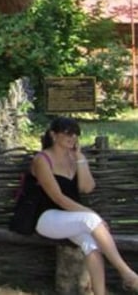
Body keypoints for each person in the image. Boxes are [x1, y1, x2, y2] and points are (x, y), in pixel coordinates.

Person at [30, 116, 138, 295]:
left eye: (76, 134)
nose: (72, 138)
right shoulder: (42, 159)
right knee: (91, 220)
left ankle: (100, 293)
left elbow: (86, 188)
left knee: (92, 245)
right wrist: (93, 216)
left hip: (71, 218)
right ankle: (126, 273)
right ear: (53, 135)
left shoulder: (74, 158)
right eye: (67, 133)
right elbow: (58, 198)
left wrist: (80, 159)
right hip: (46, 218)